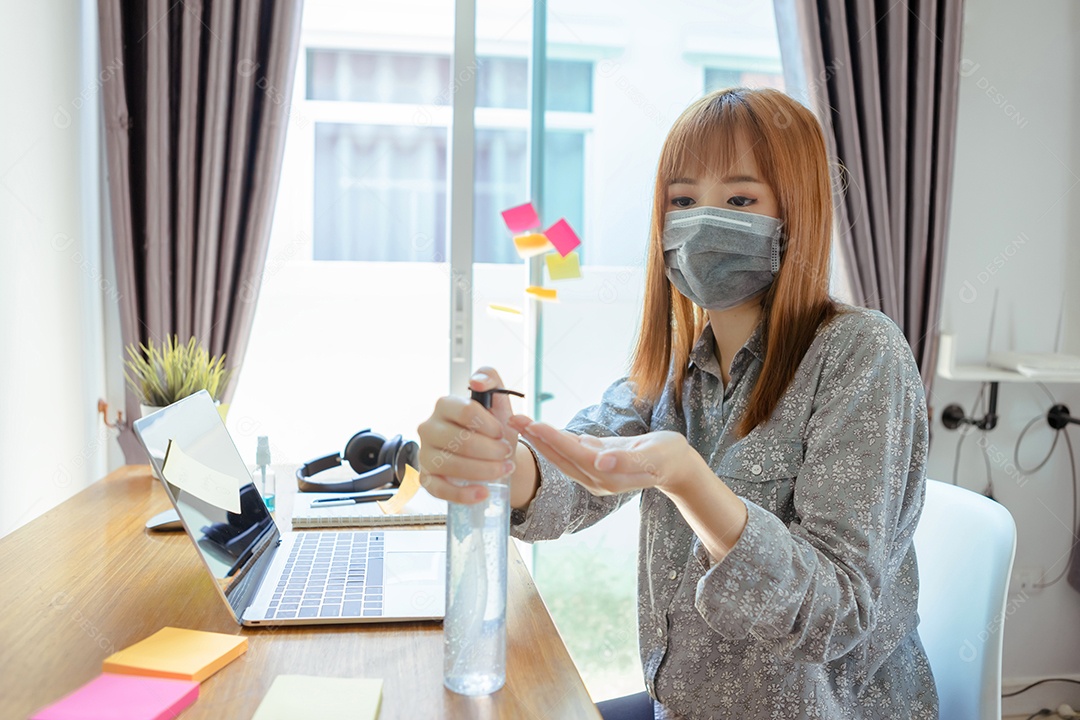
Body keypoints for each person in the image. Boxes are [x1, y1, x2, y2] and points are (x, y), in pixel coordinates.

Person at [416, 87, 939, 719]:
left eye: (740, 199)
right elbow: (578, 472)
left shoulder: (861, 354)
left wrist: (690, 482)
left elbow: (833, 613)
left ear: (795, 213)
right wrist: (501, 460)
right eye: (683, 201)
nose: (701, 222)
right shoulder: (673, 368)